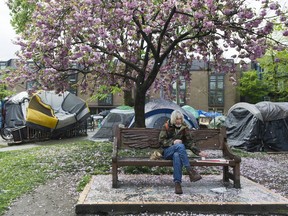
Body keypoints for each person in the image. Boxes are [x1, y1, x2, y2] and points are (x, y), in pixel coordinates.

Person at [158, 110, 208, 194]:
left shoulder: (184, 127)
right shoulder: (166, 126)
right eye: (177, 119)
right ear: (173, 119)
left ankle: (178, 184)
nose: (179, 121)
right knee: (180, 146)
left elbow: (189, 142)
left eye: (180, 119)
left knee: (177, 155)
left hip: (177, 153)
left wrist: (198, 152)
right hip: (167, 152)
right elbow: (161, 141)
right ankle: (189, 170)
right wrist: (173, 142)